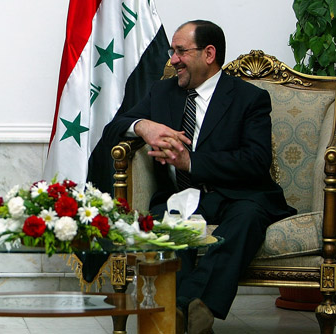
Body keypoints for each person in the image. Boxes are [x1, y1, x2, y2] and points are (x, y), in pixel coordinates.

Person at [101, 20, 296, 334]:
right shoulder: (162, 92)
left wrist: (190, 161)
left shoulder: (249, 99)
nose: (173, 59)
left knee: (246, 218)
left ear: (209, 54)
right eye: (172, 51)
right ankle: (193, 312)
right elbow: (113, 127)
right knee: (164, 223)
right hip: (179, 199)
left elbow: (256, 161)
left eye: (180, 51)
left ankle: (187, 305)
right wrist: (142, 126)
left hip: (238, 197)